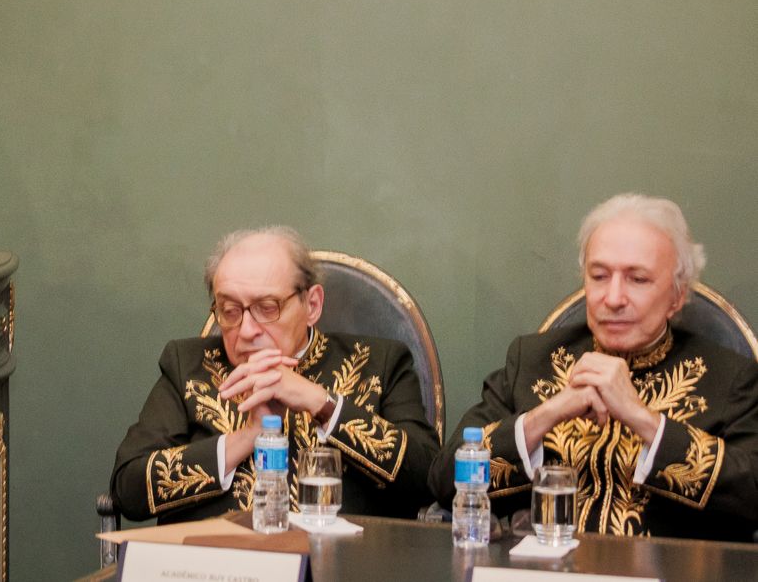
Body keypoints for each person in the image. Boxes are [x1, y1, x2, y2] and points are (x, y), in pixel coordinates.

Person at [434, 194, 758, 540]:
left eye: (638, 279)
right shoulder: (532, 359)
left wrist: (644, 420)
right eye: (600, 276)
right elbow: (443, 481)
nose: (614, 298)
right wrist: (547, 414)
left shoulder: (731, 377)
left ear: (677, 295)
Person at [112, 227, 441, 522]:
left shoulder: (379, 363)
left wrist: (322, 404)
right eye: (230, 311)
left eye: (267, 308)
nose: (247, 330)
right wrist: (247, 437)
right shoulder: (188, 366)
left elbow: (429, 478)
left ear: (311, 305)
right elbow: (128, 490)